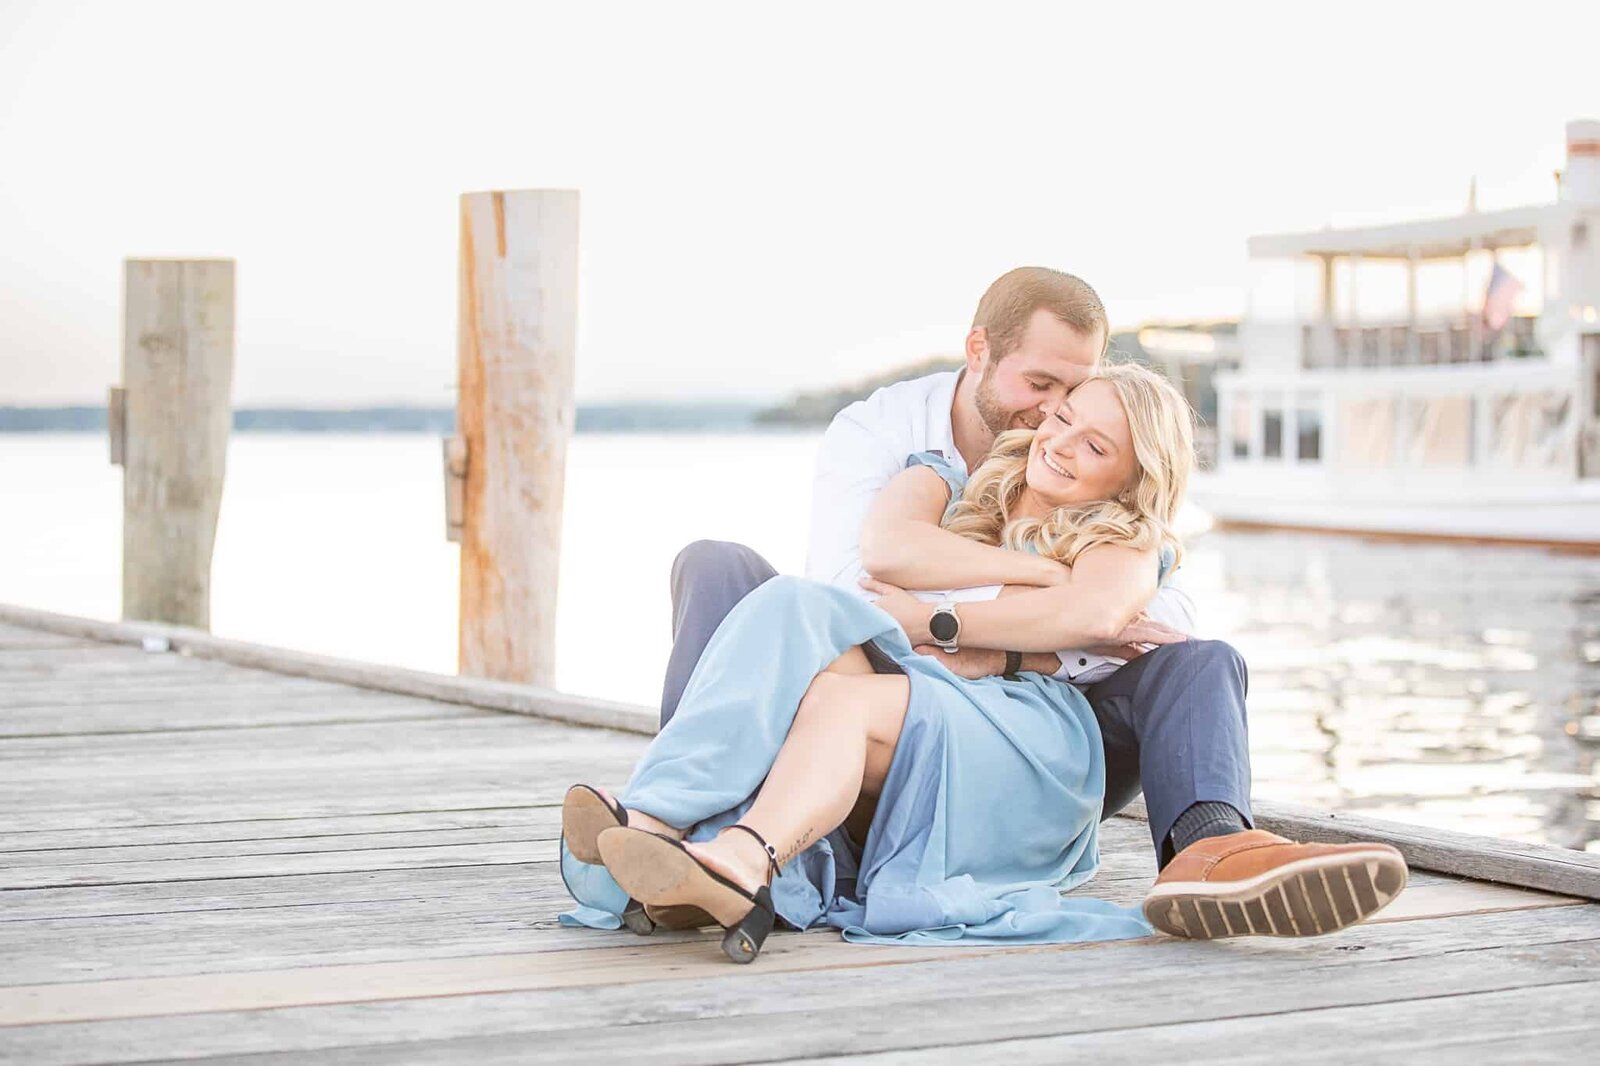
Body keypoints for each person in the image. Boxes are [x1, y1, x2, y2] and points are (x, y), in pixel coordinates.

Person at [643, 267, 1406, 942]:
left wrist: (973, 635)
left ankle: (1215, 849)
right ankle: (686, 831)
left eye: (1079, 413)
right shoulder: (906, 448)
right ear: (980, 352)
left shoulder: (1118, 532)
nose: (1053, 423)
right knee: (755, 590)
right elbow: (862, 583)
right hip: (898, 681)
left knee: (1203, 663)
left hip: (1018, 728)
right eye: (1048, 397)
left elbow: (1125, 621)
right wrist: (1031, 582)